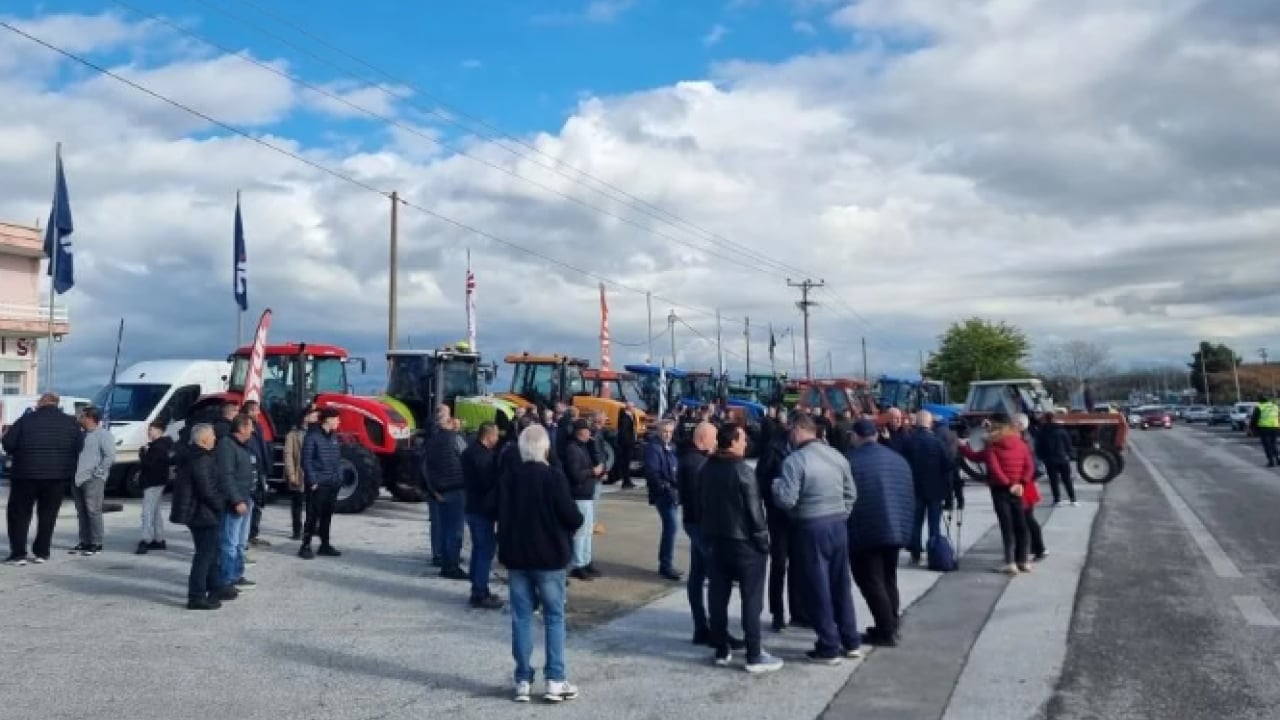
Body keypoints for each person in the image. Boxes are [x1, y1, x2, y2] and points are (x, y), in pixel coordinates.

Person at [493, 424, 584, 703]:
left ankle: (522, 679)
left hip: (517, 557)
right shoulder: (553, 477)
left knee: (521, 618)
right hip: (548, 558)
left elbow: (499, 514)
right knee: (553, 618)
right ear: (545, 448)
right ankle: (555, 680)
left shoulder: (510, 477)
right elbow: (572, 516)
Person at [772, 414, 861, 664]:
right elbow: (851, 493)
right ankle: (851, 640)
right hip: (838, 524)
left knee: (817, 587)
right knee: (840, 584)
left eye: (792, 430)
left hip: (811, 526)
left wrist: (776, 487)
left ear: (800, 431)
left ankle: (828, 645)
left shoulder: (794, 461)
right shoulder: (837, 456)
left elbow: (787, 500)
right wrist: (842, 513)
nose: (790, 434)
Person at [700, 423, 783, 673]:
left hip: (717, 541)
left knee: (717, 597)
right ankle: (754, 654)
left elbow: (701, 504)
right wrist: (763, 542)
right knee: (751, 599)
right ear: (733, 442)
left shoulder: (707, 469)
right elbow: (755, 513)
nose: (746, 443)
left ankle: (721, 648)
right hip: (744, 544)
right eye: (743, 439)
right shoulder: (743, 471)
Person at [846, 419, 915, 647]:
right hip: (895, 528)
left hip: (866, 530)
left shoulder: (851, 461)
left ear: (856, 436)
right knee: (888, 578)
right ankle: (891, 623)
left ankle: (886, 630)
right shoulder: (897, 459)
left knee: (870, 580)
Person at [2, 392, 83, 566]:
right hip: (57, 476)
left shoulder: (26, 420)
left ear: (41, 403)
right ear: (57, 404)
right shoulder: (70, 423)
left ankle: (19, 554)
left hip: (26, 475)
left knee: (20, 514)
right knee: (48, 515)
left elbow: (8, 444)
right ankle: (42, 552)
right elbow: (79, 446)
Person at [680, 421, 740, 647]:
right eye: (715, 439)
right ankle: (716, 631)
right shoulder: (698, 464)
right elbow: (702, 500)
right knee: (716, 577)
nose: (717, 443)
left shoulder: (691, 459)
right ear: (704, 439)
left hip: (694, 523)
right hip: (701, 525)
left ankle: (701, 628)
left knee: (697, 576)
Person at [755, 410, 811, 631]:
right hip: (778, 516)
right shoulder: (774, 448)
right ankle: (777, 612)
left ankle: (799, 611)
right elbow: (760, 480)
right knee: (779, 564)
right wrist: (772, 497)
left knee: (799, 564)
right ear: (792, 428)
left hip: (800, 515)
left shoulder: (808, 449)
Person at [960, 414, 1034, 574]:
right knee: (1021, 525)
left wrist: (962, 447)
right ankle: (1024, 560)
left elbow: (992, 467)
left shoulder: (992, 447)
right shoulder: (1021, 444)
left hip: (1001, 489)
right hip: (1019, 488)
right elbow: (1029, 466)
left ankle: (1010, 562)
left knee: (1006, 526)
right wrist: (1021, 483)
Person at [170, 424, 234, 610]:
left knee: (211, 552)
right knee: (204, 555)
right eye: (212, 436)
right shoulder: (200, 459)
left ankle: (216, 586)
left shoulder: (195, 456)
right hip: (202, 513)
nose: (215, 438)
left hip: (200, 512)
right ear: (204, 439)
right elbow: (207, 490)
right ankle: (196, 596)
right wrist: (222, 504)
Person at [424, 405, 467, 580]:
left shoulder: (432, 440)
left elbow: (425, 467)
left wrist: (432, 489)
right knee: (454, 530)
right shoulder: (455, 439)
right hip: (455, 488)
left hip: (437, 490)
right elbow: (467, 458)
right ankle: (451, 565)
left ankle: (442, 558)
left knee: (441, 526)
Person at [462, 422, 503, 608]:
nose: (497, 440)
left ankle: (478, 587)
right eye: (495, 436)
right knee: (485, 550)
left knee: (479, 549)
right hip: (481, 509)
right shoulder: (483, 458)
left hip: (471, 506)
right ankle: (480, 591)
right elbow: (487, 483)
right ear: (488, 437)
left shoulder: (469, 452)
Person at [216, 414, 258, 592]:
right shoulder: (227, 446)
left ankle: (236, 574)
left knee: (240, 542)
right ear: (241, 428)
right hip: (235, 503)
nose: (253, 430)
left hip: (246, 498)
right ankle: (226, 580)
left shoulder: (243, 446)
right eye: (250, 426)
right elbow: (226, 476)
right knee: (229, 543)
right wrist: (236, 500)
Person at [906, 411, 951, 566]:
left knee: (916, 522)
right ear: (930, 424)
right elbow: (948, 465)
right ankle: (934, 553)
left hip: (915, 488)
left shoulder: (909, 441)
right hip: (935, 490)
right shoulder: (937, 442)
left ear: (916, 423)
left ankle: (915, 553)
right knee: (934, 524)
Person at [299, 408, 343, 559]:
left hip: (332, 483)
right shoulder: (312, 437)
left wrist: (339, 478)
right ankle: (305, 545)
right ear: (328, 420)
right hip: (318, 484)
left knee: (327, 515)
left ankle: (325, 544)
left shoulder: (334, 437)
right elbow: (306, 460)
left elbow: (337, 460)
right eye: (337, 418)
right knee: (312, 515)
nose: (339, 422)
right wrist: (313, 480)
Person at [72, 406, 116, 557]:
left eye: (82, 416)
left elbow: (109, 456)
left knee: (93, 511)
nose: (79, 418)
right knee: (81, 511)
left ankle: (96, 542)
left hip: (93, 479)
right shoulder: (81, 435)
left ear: (90, 418)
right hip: (77, 479)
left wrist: (98, 474)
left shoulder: (103, 435)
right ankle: (84, 541)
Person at [564, 419, 603, 581]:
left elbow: (597, 459)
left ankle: (586, 561)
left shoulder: (584, 447)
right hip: (579, 496)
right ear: (580, 431)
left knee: (588, 531)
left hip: (587, 495)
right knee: (580, 533)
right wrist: (592, 472)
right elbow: (575, 474)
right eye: (587, 430)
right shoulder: (572, 449)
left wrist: (593, 447)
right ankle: (578, 564)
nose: (590, 433)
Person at [643, 420, 682, 581]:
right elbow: (652, 473)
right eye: (665, 431)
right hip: (663, 494)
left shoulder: (671, 447)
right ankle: (665, 565)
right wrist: (666, 488)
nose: (667, 434)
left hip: (672, 491)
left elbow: (675, 467)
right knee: (671, 527)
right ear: (659, 431)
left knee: (671, 528)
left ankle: (666, 563)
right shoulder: (653, 448)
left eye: (670, 432)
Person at [136, 420, 173, 554]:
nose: (148, 432)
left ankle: (146, 539)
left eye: (151, 430)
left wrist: (143, 454)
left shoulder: (157, 447)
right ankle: (159, 538)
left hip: (152, 482)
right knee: (155, 511)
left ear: (159, 431)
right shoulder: (163, 445)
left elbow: (149, 465)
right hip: (159, 482)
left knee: (147, 512)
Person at [241, 400, 273, 548]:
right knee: (249, 506)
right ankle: (243, 539)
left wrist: (266, 468)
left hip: (261, 470)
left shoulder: (258, 427)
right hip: (250, 472)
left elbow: (262, 449)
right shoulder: (243, 430)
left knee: (258, 504)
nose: (258, 413)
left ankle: (252, 535)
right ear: (247, 412)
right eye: (254, 410)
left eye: (258, 410)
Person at [284, 407, 318, 540]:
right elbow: (288, 455)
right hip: (299, 473)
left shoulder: (316, 433)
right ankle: (296, 530)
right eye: (313, 415)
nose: (316, 417)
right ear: (305, 417)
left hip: (313, 474)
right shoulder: (293, 434)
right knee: (297, 503)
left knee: (312, 503)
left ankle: (310, 527)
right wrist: (291, 474)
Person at [1035, 412, 1077, 506]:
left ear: (1045, 419)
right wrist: (1069, 455)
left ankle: (1057, 500)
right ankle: (1073, 499)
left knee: (1053, 481)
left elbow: (1038, 446)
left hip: (1049, 459)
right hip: (1063, 458)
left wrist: (1041, 457)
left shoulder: (1042, 431)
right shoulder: (1061, 430)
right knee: (1067, 480)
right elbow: (1068, 444)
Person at [1250, 396, 1279, 467]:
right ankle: (1278, 460)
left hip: (1264, 428)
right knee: (1274, 444)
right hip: (1275, 427)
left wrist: (1252, 428)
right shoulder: (1275, 406)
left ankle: (1271, 461)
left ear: (1260, 401)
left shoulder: (1260, 407)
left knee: (1267, 445)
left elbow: (1254, 418)